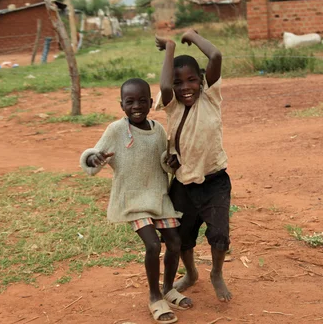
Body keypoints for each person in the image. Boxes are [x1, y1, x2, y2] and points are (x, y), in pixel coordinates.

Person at [80, 78, 192, 323]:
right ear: (122, 105)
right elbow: (92, 155)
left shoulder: (158, 129)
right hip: (132, 200)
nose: (137, 106)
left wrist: (171, 162)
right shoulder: (116, 131)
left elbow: (164, 160)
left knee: (174, 241)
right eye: (130, 102)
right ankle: (154, 297)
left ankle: (168, 288)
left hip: (158, 196)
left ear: (152, 103)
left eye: (143, 101)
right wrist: (94, 160)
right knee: (153, 245)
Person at [155, 30, 232, 302]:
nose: (185, 87)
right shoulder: (172, 106)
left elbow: (216, 55)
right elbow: (165, 88)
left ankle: (217, 274)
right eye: (178, 82)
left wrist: (192, 36)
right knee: (181, 237)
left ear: (201, 81)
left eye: (191, 80)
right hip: (183, 184)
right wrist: (170, 48)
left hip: (214, 181)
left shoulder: (211, 98)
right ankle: (191, 273)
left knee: (219, 234)